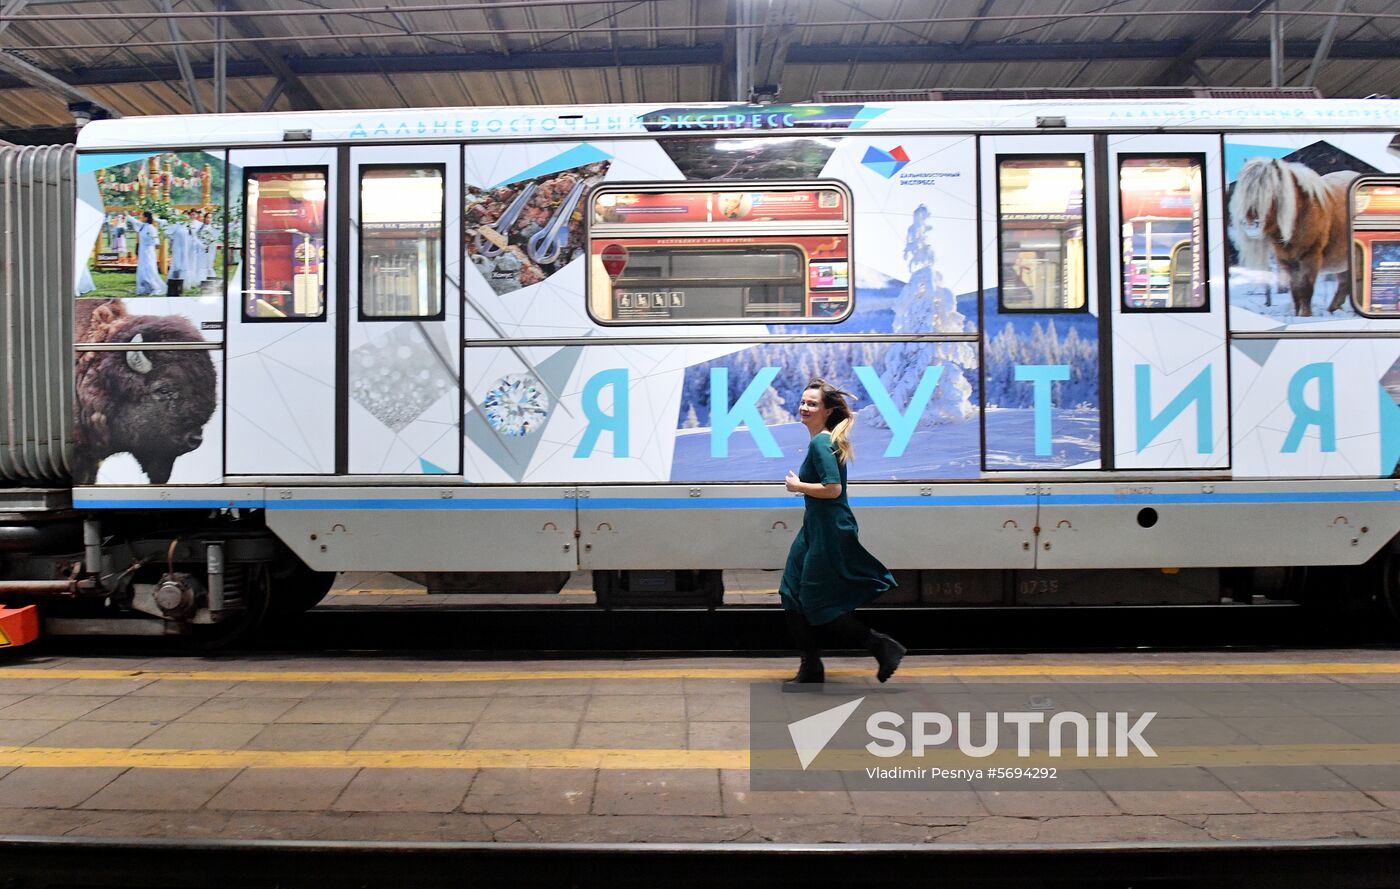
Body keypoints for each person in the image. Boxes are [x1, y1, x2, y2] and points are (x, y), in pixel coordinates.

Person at [779, 379, 905, 691]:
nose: (805, 407)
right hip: (815, 527)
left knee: (815, 602)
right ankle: (811, 668)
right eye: (803, 401)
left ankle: (880, 646)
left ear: (828, 411)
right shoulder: (820, 441)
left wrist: (798, 487)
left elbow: (833, 489)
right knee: (791, 592)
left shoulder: (822, 443)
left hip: (829, 529)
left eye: (812, 404)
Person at [132, 211, 165, 295]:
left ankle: (155, 287)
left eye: (142, 216)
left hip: (148, 251)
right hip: (143, 251)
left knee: (149, 268)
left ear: (146, 218)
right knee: (143, 269)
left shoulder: (150, 227)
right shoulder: (143, 226)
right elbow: (135, 222)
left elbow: (155, 239)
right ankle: (145, 287)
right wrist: (128, 216)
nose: (140, 218)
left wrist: (156, 244)